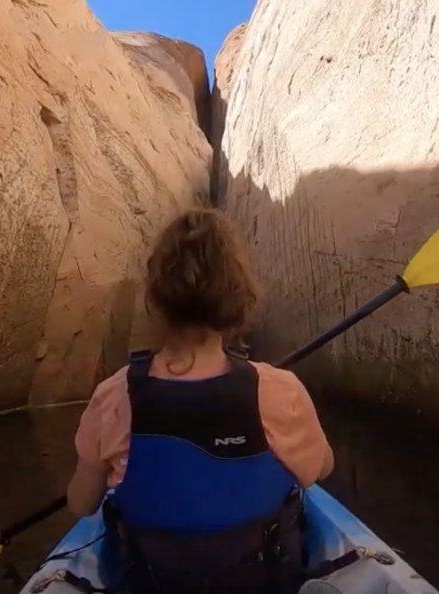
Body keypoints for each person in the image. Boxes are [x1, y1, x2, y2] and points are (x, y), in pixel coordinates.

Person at [66, 207, 335, 594]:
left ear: (156, 300)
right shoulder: (281, 390)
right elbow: (321, 468)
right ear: (237, 298)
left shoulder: (113, 396)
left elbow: (81, 504)